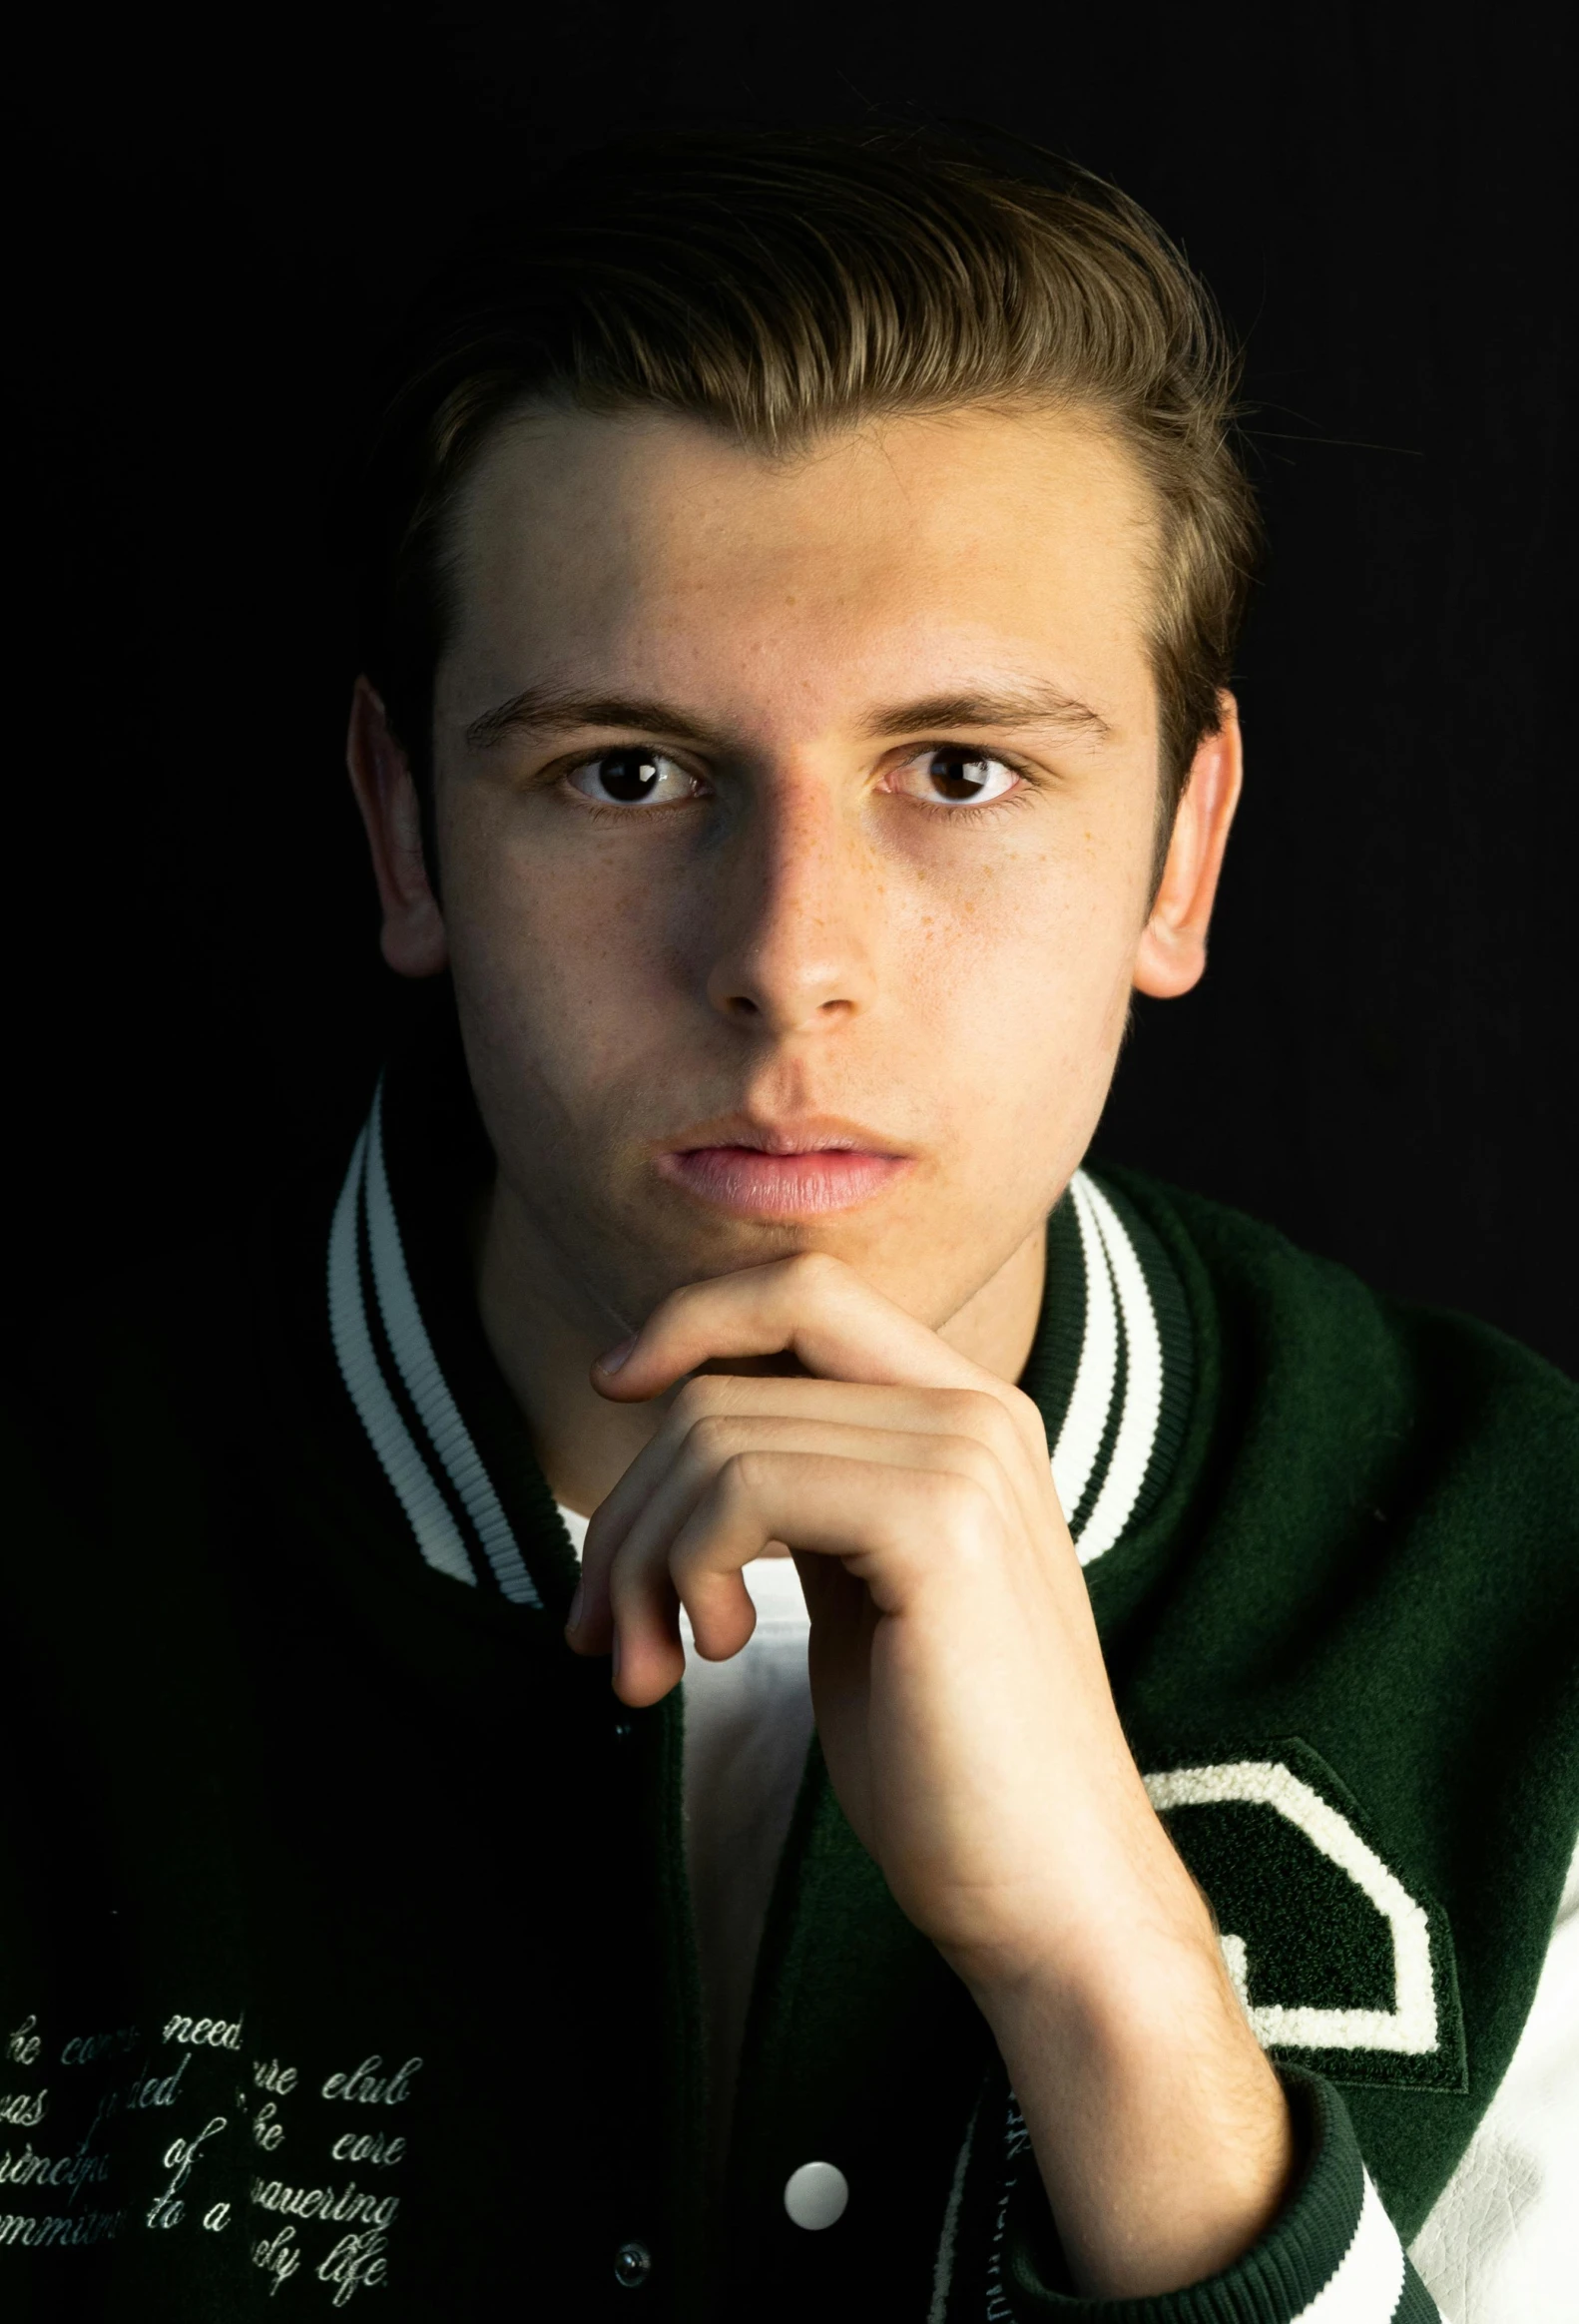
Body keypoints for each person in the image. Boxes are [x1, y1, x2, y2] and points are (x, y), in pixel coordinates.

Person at [1, 126, 1573, 2323]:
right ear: (404, 832)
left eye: (958, 771)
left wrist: (1111, 1985)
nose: (786, 960)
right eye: (627, 773)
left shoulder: (1524, 1589)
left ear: (1179, 857)